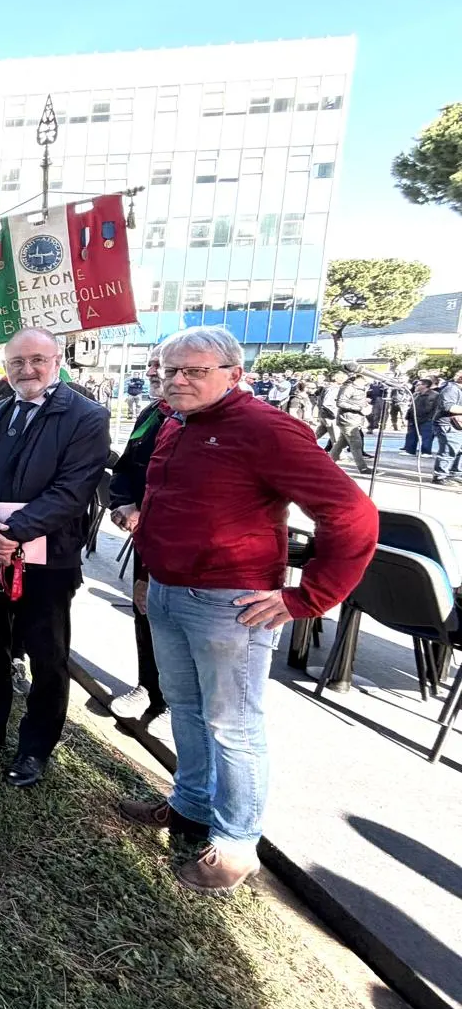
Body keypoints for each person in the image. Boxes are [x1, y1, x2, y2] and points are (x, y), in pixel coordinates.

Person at [120, 326, 377, 893]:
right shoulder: (174, 423)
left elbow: (352, 514)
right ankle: (189, 806)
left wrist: (308, 596)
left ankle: (236, 845)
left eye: (194, 370)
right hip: (168, 591)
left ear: (235, 374)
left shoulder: (266, 429)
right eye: (169, 370)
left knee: (232, 727)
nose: (178, 380)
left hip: (229, 605)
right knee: (185, 708)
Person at [0, 327, 111, 788]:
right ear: (5, 367)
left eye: (38, 359)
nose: (27, 369)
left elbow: (72, 491)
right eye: (17, 362)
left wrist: (13, 533)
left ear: (57, 362)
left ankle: (35, 748)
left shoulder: (86, 416)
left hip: (48, 562)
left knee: (46, 654)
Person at [107, 354, 168, 727]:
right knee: (145, 611)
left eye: (163, 364)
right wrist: (123, 503)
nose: (153, 372)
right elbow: (126, 468)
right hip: (148, 543)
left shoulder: (240, 422)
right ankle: (150, 688)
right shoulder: (152, 414)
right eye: (153, 364)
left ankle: (175, 704)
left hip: (201, 556)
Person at [326, 366, 371, 473]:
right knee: (356, 444)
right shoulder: (349, 388)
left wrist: (365, 405)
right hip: (348, 420)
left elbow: (354, 401)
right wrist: (359, 408)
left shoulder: (360, 388)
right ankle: (363, 468)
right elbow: (340, 402)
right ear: (362, 378)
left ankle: (327, 463)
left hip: (354, 419)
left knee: (340, 444)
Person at [431, 370, 462, 484]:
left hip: (456, 425)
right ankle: (440, 476)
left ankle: (455, 474)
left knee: (459, 451)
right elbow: (448, 406)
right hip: (448, 424)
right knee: (449, 450)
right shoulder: (451, 389)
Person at [408, 377, 439, 455]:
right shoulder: (416, 394)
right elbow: (412, 406)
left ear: (425, 385)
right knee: (411, 435)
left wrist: (432, 418)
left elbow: (435, 407)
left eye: (418, 384)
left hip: (427, 418)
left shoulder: (435, 395)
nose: (416, 386)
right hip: (414, 418)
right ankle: (410, 450)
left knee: (427, 436)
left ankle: (426, 452)